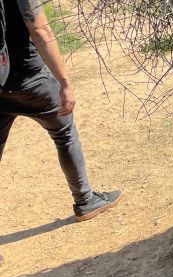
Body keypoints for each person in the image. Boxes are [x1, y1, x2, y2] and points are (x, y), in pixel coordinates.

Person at [0, 0, 121, 221]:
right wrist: (64, 82)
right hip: (32, 79)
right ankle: (86, 200)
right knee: (64, 134)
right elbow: (40, 29)